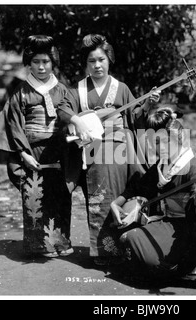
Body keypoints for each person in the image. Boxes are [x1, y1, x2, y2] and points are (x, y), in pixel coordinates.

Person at [57, 34, 160, 266]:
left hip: (121, 150)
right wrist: (79, 121)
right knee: (100, 197)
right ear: (86, 64)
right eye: (92, 61)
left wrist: (148, 103)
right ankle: (102, 253)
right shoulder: (79, 90)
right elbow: (63, 108)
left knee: (125, 194)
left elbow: (134, 115)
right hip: (94, 151)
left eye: (101, 60)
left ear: (109, 60)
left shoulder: (120, 88)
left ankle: (128, 248)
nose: (97, 65)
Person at [110, 107, 196, 282]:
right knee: (123, 237)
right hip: (163, 224)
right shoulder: (161, 168)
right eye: (155, 142)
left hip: (184, 233)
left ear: (180, 140)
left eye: (165, 141)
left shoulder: (194, 168)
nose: (160, 148)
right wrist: (115, 204)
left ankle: (184, 266)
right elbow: (135, 189)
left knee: (136, 248)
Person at [0, 35, 73, 258]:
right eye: (36, 61)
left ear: (52, 63)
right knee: (35, 196)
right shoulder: (21, 92)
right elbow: (14, 124)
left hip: (58, 150)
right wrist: (22, 153)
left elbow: (70, 119)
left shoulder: (62, 90)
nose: (41, 66)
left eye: (46, 62)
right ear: (29, 63)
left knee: (59, 196)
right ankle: (37, 245)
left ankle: (61, 242)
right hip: (31, 150)